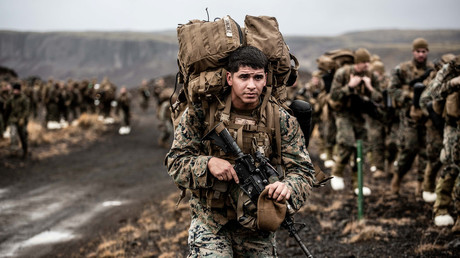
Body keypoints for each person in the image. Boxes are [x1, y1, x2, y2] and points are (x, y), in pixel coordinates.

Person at [165, 46, 315, 256]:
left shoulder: (280, 119)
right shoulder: (201, 113)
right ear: (229, 78)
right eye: (243, 77)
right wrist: (207, 164)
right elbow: (175, 161)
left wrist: (288, 187)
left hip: (257, 224)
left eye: (258, 77)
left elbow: (304, 170)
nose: (251, 85)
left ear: (265, 79)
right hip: (211, 220)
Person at [328, 48, 382, 196]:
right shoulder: (343, 73)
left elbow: (380, 98)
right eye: (363, 62)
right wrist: (350, 86)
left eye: (368, 62)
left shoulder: (371, 75)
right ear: (357, 63)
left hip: (359, 115)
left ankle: (358, 183)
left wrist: (370, 88)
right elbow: (334, 95)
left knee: (361, 147)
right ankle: (337, 172)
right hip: (343, 113)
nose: (366, 65)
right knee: (346, 141)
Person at [388, 38, 434, 196]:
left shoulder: (433, 71)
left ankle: (421, 186)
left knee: (426, 152)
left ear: (427, 52)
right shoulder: (403, 69)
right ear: (413, 52)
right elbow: (392, 90)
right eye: (418, 51)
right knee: (409, 148)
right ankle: (397, 178)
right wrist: (409, 95)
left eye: (423, 51)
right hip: (408, 118)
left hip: (428, 117)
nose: (421, 54)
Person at [424, 55, 460, 231]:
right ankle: (442, 208)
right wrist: (453, 83)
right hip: (454, 126)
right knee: (452, 166)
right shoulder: (453, 67)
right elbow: (430, 93)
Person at [4, 82, 30, 158]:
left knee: (23, 136)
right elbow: (7, 109)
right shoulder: (11, 99)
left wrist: (23, 118)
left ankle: (25, 150)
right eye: (14, 90)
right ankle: (14, 151)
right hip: (13, 120)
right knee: (13, 135)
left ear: (19, 90)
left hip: (21, 120)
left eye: (16, 90)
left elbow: (26, 110)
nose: (15, 91)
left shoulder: (24, 99)